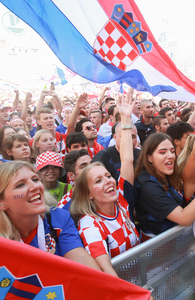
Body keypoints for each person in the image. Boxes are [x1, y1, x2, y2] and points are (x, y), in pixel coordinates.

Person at [0, 161, 101, 271]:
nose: (35, 186)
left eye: (35, 179)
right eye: (20, 185)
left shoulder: (58, 218)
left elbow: (82, 261)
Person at [71, 101, 138, 276]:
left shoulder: (121, 201)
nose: (108, 181)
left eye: (108, 176)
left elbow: (126, 160)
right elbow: (106, 271)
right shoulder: (89, 224)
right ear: (88, 193)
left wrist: (124, 118)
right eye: (98, 181)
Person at [135, 133, 195, 241]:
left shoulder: (168, 175)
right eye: (163, 152)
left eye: (172, 151)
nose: (170, 155)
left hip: (177, 242)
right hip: (156, 249)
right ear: (149, 157)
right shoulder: (147, 185)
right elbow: (184, 218)